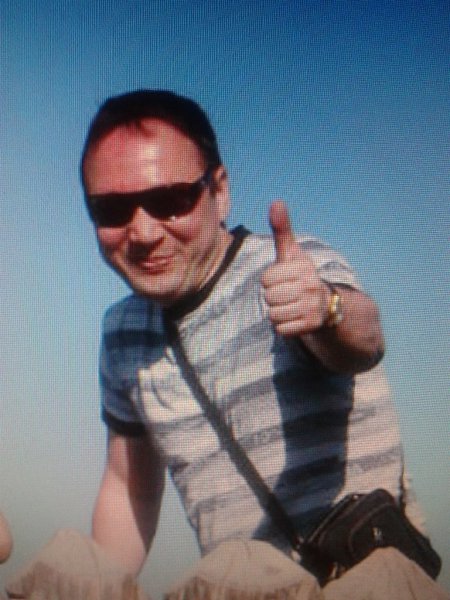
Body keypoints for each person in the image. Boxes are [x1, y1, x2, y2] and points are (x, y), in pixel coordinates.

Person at [80, 90, 442, 595]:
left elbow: (365, 341)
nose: (141, 232)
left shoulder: (291, 269)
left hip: (367, 583)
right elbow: (129, 489)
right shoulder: (122, 336)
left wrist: (326, 310)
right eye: (112, 209)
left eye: (169, 201)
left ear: (220, 191)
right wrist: (93, 585)